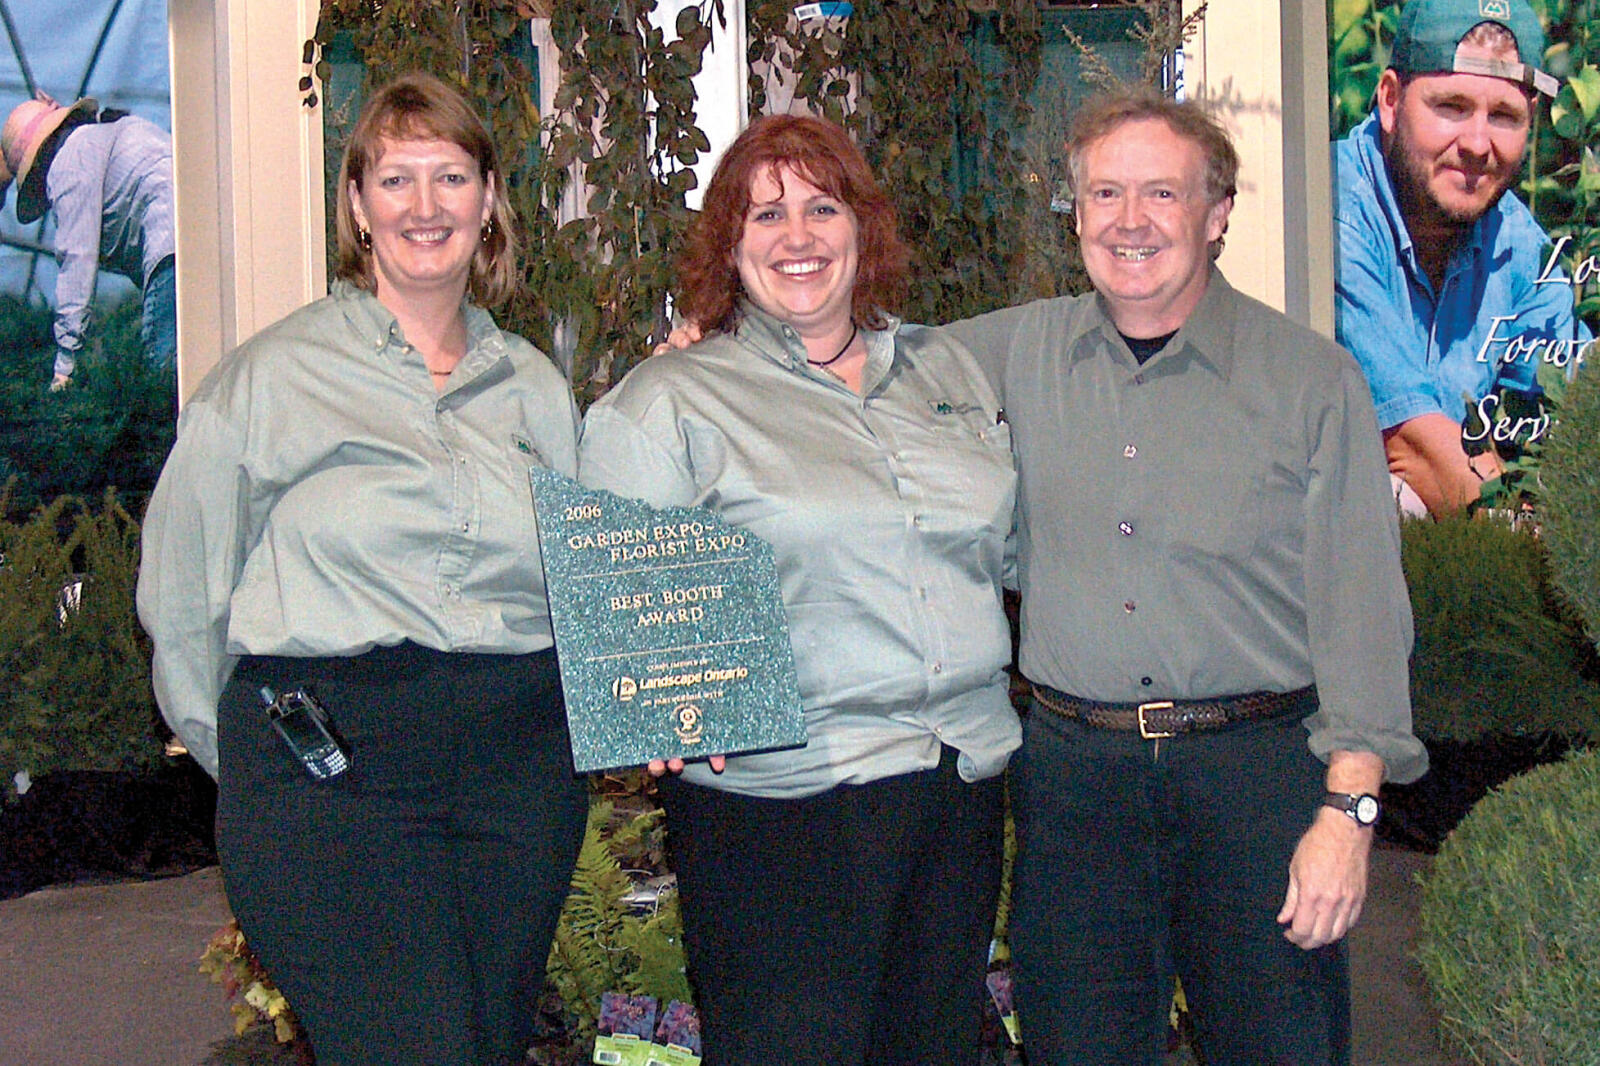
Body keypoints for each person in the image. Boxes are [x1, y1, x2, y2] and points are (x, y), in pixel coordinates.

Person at [941, 87, 1428, 1064]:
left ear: (1216, 215)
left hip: (1256, 782)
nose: (1130, 221)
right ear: (1074, 214)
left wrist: (1349, 810)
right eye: (1105, 193)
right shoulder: (1006, 353)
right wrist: (721, 344)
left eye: (1161, 194)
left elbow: (1362, 615)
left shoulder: (1310, 380)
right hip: (1075, 786)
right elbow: (852, 363)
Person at [136, 73, 588, 1066]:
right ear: (356, 206)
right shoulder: (271, 378)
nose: (424, 207)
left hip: (517, 779)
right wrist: (260, 760)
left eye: (450, 177)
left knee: (484, 1043)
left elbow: (589, 582)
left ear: (488, 201)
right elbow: (183, 594)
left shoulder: (536, 392)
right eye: (395, 179)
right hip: (331, 776)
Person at [577, 114, 1020, 1065]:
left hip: (960, 784)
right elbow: (626, 610)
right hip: (786, 809)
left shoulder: (945, 368)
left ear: (864, 229)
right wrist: (659, 696)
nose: (799, 236)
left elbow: (1008, 549)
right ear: (729, 247)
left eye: (823, 207)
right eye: (765, 214)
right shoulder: (671, 401)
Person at [1332, 0, 1591, 516]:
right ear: (1388, 100)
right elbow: (1412, 446)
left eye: (1503, 116)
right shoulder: (1330, 210)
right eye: (1451, 106)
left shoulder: (1518, 243)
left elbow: (1575, 413)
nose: (1477, 143)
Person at [0, 91, 177, 391]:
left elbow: (76, 262)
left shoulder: (69, 163)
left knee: (163, 384)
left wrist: (65, 368)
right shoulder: (103, 136)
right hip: (197, 237)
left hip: (171, 252)